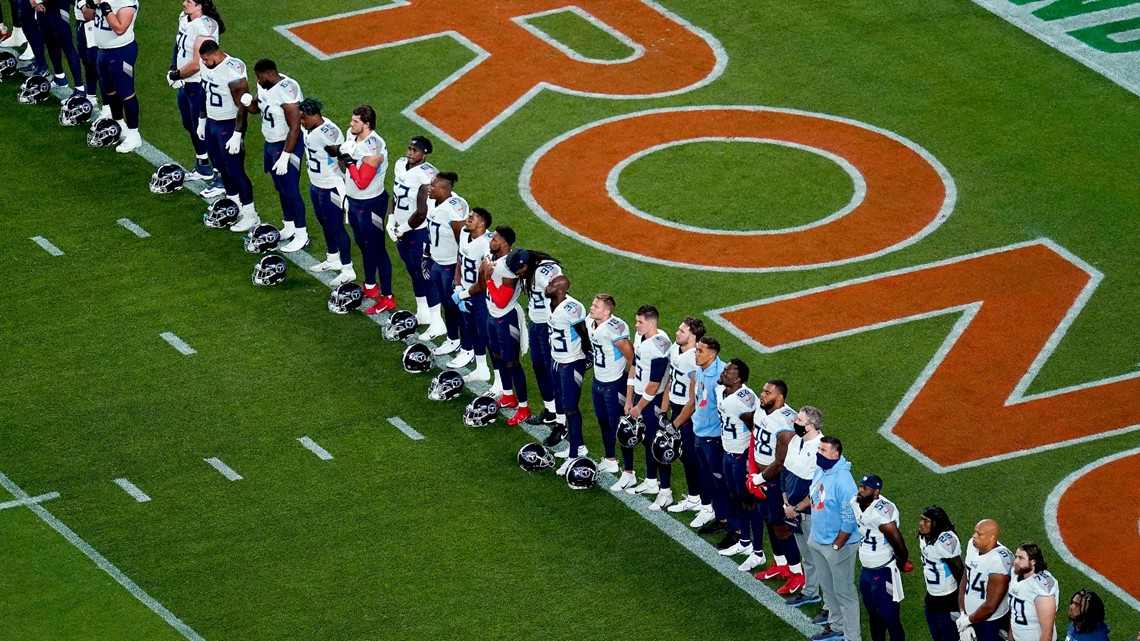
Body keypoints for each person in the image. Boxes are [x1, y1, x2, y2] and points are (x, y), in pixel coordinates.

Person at [334, 104, 394, 313]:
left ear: (366, 124)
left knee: (377, 249)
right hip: (355, 201)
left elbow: (362, 182)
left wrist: (349, 161)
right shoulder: (354, 140)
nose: (351, 124)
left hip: (371, 204)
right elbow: (345, 172)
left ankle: (387, 297)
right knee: (363, 244)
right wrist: (342, 158)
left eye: (355, 122)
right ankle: (370, 286)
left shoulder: (374, 148)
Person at [248, 59, 308, 252]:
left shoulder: (287, 89)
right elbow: (257, 108)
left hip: (287, 143)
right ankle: (289, 224)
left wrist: (286, 155)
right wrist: (248, 101)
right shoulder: (264, 85)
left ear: (271, 74)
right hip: (271, 142)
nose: (258, 80)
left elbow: (295, 126)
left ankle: (302, 235)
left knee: (291, 189)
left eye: (260, 76)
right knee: (280, 187)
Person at [198, 39, 259, 231]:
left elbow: (243, 106)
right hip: (212, 123)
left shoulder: (233, 71)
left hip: (228, 123)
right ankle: (235, 205)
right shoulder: (206, 63)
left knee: (235, 170)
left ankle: (251, 214)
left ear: (216, 55)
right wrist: (202, 119)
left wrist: (237, 134)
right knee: (220, 166)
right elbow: (204, 93)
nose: (205, 63)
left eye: (207, 59)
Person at [807, 435, 861, 641]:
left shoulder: (844, 483)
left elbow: (850, 519)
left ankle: (853, 637)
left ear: (834, 454)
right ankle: (837, 626)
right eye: (818, 449)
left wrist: (837, 545)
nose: (818, 453)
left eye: (822, 450)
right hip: (818, 540)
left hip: (838, 545)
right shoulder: (821, 470)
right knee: (828, 589)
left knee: (844, 592)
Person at [299, 98, 355, 286]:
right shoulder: (310, 128)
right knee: (323, 222)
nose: (302, 121)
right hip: (316, 184)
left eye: (305, 118)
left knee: (336, 226)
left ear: (315, 116)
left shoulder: (327, 132)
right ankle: (333, 258)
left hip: (331, 186)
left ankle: (348, 269)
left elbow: (342, 155)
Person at [752, 379, 801, 590]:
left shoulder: (786, 422)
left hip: (776, 481)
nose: (762, 395)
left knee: (781, 527)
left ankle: (798, 572)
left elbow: (782, 462)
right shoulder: (761, 409)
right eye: (763, 391)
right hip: (761, 476)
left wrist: (759, 479)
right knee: (768, 521)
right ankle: (781, 564)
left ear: (779, 397)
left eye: (767, 392)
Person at [166, 0, 221, 184]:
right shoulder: (185, 18)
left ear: (200, 6)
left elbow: (198, 63)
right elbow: (178, 45)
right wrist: (174, 68)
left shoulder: (204, 26)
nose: (184, 3)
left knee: (204, 129)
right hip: (186, 83)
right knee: (189, 124)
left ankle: (220, 175)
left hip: (198, 84)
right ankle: (203, 166)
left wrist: (175, 75)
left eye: (189, 1)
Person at [391, 135, 442, 332]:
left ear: (424, 154)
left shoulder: (427, 174)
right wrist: (391, 220)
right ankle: (423, 312)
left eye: (416, 150)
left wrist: (401, 229)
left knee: (424, 274)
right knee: (412, 271)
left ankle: (438, 322)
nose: (411, 153)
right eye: (410, 149)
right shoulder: (400, 165)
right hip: (403, 230)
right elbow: (396, 195)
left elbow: (422, 211)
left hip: (419, 231)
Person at [621, 305, 671, 498]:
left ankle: (665, 489)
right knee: (647, 441)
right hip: (641, 399)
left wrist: (638, 407)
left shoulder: (660, 345)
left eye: (640, 322)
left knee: (659, 444)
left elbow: (654, 384)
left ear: (652, 323)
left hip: (653, 401)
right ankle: (651, 481)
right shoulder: (641, 338)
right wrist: (629, 398)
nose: (636, 325)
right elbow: (634, 365)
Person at [481, 237, 532, 426]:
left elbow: (500, 300)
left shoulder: (510, 275)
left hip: (506, 318)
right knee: (496, 355)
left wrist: (487, 278)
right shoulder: (503, 263)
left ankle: (524, 407)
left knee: (511, 362)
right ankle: (509, 395)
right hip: (493, 316)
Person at [852, 474, 909, 641]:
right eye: (860, 486)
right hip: (866, 571)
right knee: (873, 616)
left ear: (876, 491)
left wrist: (898, 565)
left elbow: (901, 548)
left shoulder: (883, 514)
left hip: (884, 571)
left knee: (889, 618)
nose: (860, 490)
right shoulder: (855, 502)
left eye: (865, 488)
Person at [545, 274, 592, 473]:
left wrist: (587, 355)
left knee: (571, 409)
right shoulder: (552, 303)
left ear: (561, 289)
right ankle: (578, 446)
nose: (548, 285)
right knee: (562, 404)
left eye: (552, 284)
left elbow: (584, 333)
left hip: (572, 362)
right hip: (558, 359)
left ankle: (574, 455)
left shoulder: (571, 308)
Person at [781, 407, 826, 613]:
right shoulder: (795, 441)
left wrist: (796, 508)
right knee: (807, 555)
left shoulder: (821, 449)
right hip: (792, 510)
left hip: (809, 513)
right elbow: (785, 471)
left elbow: (817, 488)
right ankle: (811, 592)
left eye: (799, 420)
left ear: (810, 426)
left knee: (820, 558)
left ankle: (829, 605)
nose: (795, 422)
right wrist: (786, 502)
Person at [660, 317, 704, 514]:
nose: (677, 333)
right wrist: (664, 411)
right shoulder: (676, 350)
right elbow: (670, 381)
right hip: (676, 410)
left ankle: (704, 502)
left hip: (689, 414)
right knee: (685, 458)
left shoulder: (695, 360)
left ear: (693, 337)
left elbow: (694, 399)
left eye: (682, 331)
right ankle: (695, 497)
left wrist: (676, 423)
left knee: (693, 459)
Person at [587, 293, 633, 476]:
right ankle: (610, 460)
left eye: (596, 306)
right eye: (592, 304)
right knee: (603, 422)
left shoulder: (615, 328)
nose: (591, 308)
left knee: (621, 428)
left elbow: (632, 359)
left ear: (606, 312)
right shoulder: (591, 322)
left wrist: (631, 393)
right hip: (598, 380)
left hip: (614, 383)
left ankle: (629, 472)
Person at [716, 358, 759, 556]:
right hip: (728, 451)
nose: (725, 372)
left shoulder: (742, 398)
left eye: (729, 371)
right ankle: (744, 539)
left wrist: (752, 459)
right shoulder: (723, 391)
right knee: (735, 496)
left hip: (741, 454)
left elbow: (755, 428)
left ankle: (754, 545)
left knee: (747, 499)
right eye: (725, 369)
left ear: (739, 378)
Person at [87, 0, 141, 152]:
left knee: (126, 92)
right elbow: (87, 17)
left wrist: (104, 6)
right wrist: (91, 4)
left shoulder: (126, 1)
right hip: (103, 51)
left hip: (122, 51)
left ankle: (134, 134)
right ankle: (118, 123)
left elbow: (119, 28)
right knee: (109, 89)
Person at [687, 336, 729, 530]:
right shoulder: (701, 368)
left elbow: (726, 411)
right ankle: (720, 517)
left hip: (713, 437)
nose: (696, 354)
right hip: (701, 431)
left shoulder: (721, 377)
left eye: (700, 351)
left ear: (712, 355)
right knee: (709, 478)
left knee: (719, 481)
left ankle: (730, 522)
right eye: (696, 350)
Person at [420, 171, 467, 338]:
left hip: (450, 265)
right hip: (437, 262)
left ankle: (467, 348)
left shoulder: (454, 208)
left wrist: (458, 272)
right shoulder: (435, 202)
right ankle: (452, 339)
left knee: (456, 306)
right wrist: (427, 255)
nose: (429, 188)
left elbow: (462, 242)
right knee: (446, 305)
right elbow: (431, 233)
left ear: (443, 190)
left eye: (433, 185)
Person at [521, 252, 562, 433]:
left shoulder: (544, 270)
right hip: (535, 322)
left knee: (553, 369)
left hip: (549, 324)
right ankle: (550, 410)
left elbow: (560, 288)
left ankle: (561, 417)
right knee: (538, 365)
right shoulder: (525, 269)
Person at [452, 206, 493, 380]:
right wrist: (458, 286)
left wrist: (463, 295)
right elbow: (460, 259)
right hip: (466, 291)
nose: (468, 218)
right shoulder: (463, 232)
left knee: (487, 335)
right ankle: (481, 368)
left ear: (481, 224)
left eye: (472, 217)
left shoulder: (488, 244)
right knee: (473, 330)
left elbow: (485, 281)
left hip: (481, 295)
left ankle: (499, 380)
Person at [958, 519, 1014, 641]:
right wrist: (963, 613)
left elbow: (991, 605)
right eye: (975, 532)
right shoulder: (972, 545)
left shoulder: (999, 560)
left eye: (980, 534)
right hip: (969, 617)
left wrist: (967, 621)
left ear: (991, 538)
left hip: (991, 623)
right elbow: (964, 581)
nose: (974, 536)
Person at [917, 505, 965, 641]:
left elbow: (960, 571)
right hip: (932, 595)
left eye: (926, 521)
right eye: (921, 519)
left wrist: (961, 599)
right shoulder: (924, 536)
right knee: (936, 635)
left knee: (951, 637)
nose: (921, 524)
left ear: (936, 523)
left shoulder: (945, 542)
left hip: (948, 597)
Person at [1008, 542, 1059, 641]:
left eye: (1021, 558)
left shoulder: (1041, 587)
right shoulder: (1016, 573)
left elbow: (1047, 632)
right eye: (1016, 557)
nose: (1016, 561)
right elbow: (1014, 611)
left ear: (1033, 561)